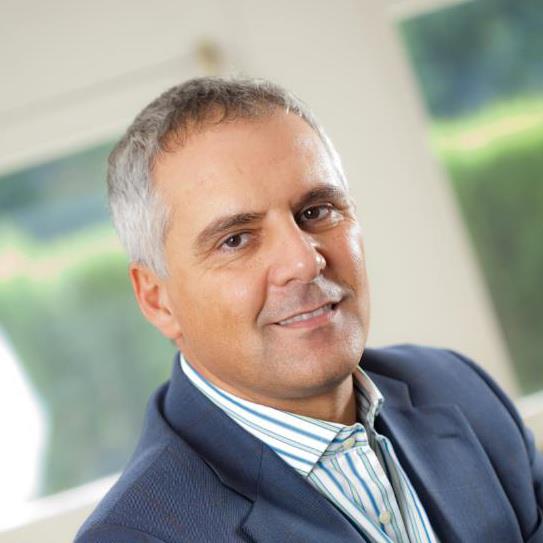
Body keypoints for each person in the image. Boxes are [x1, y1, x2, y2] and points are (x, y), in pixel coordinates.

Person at [76, 78, 542, 543]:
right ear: (157, 299)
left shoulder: (458, 387)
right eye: (235, 239)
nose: (303, 262)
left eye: (316, 211)